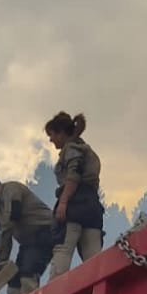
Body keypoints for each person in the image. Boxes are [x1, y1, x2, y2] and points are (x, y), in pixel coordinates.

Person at [45, 111, 104, 276]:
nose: (51, 139)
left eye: (52, 134)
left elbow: (73, 176)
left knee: (63, 249)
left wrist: (63, 202)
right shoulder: (86, 149)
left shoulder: (71, 149)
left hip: (74, 205)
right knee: (94, 257)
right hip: (92, 206)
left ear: (62, 133)